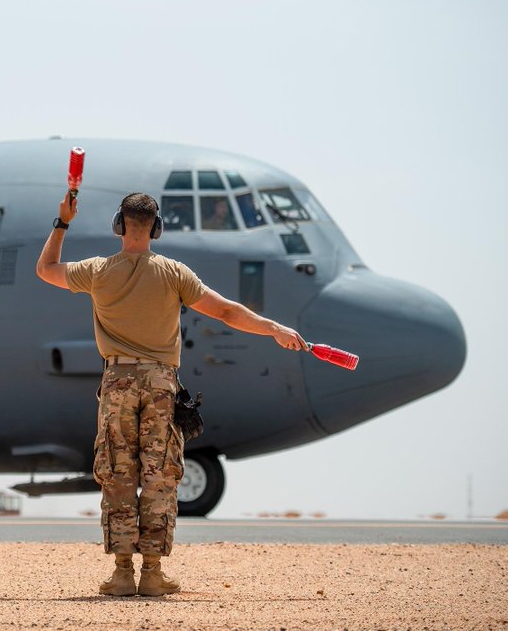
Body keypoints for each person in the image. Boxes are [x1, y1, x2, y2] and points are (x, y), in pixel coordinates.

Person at [35, 191, 306, 597]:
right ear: (156, 228)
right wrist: (274, 329)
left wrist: (63, 221)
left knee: (118, 473)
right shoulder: (174, 273)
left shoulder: (96, 271)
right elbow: (228, 312)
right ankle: (154, 573)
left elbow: (46, 269)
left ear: (119, 225)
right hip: (162, 384)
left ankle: (123, 573)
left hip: (117, 383)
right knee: (159, 475)